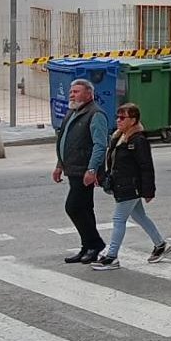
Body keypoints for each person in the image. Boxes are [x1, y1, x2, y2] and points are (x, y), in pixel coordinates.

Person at [91, 103, 171, 271]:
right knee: (139, 216)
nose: (118, 121)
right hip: (122, 185)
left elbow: (146, 167)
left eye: (123, 118)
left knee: (119, 219)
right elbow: (113, 163)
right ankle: (160, 245)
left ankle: (112, 257)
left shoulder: (138, 140)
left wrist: (149, 191)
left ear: (133, 120)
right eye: (117, 117)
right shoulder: (119, 136)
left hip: (130, 186)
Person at [51, 78, 110, 263]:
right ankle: (88, 246)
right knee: (85, 208)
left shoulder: (95, 114)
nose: (71, 94)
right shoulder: (74, 111)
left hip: (84, 170)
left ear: (89, 94)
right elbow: (64, 140)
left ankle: (96, 243)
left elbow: (100, 145)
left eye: (76, 91)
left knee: (73, 207)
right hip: (73, 169)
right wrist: (60, 165)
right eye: (71, 91)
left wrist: (92, 169)